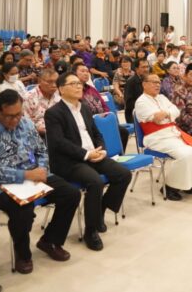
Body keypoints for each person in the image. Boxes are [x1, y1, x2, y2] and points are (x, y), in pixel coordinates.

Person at [0, 90, 81, 275]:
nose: (15, 120)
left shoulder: (27, 123)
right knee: (23, 209)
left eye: (19, 114)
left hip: (34, 175)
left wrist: (42, 170)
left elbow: (42, 151)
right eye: (9, 116)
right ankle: (23, 254)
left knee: (70, 194)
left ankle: (50, 240)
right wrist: (26, 175)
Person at [44, 73, 132, 251]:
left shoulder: (84, 108)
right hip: (69, 161)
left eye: (79, 83)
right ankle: (90, 230)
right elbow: (59, 143)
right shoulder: (53, 113)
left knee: (123, 174)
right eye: (73, 83)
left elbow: (96, 133)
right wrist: (86, 154)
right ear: (61, 89)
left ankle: (99, 212)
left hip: (92, 154)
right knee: (95, 182)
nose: (78, 86)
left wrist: (101, 149)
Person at [134, 73, 192, 200]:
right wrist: (168, 114)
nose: (157, 85)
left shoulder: (162, 97)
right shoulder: (141, 101)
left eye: (158, 82)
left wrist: (166, 113)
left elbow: (176, 111)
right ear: (144, 84)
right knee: (186, 154)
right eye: (153, 82)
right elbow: (157, 119)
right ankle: (169, 187)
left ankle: (185, 183)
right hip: (156, 137)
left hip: (172, 132)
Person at [22, 68, 61, 136]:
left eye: (56, 82)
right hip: (36, 134)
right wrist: (38, 130)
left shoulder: (60, 95)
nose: (54, 85)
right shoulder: (28, 97)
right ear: (39, 81)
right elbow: (25, 122)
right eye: (49, 82)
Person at [124, 58, 149, 124]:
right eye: (143, 67)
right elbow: (129, 103)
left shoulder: (148, 80)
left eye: (147, 67)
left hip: (148, 111)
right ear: (136, 69)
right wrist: (144, 105)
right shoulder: (131, 82)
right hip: (135, 115)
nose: (146, 69)